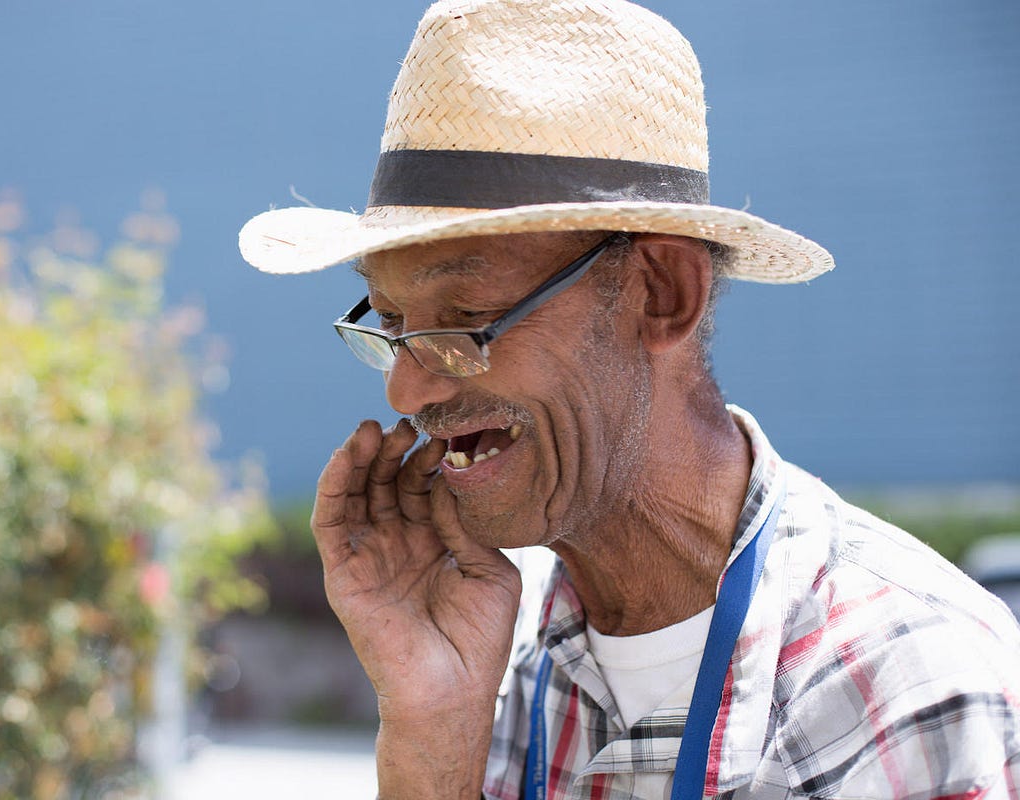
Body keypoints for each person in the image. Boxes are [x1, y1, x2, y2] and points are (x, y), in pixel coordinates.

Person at [239, 1, 1020, 797]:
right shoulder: (491, 652)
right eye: (391, 322)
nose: (406, 388)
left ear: (662, 293)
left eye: (467, 318)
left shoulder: (911, 691)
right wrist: (432, 732)